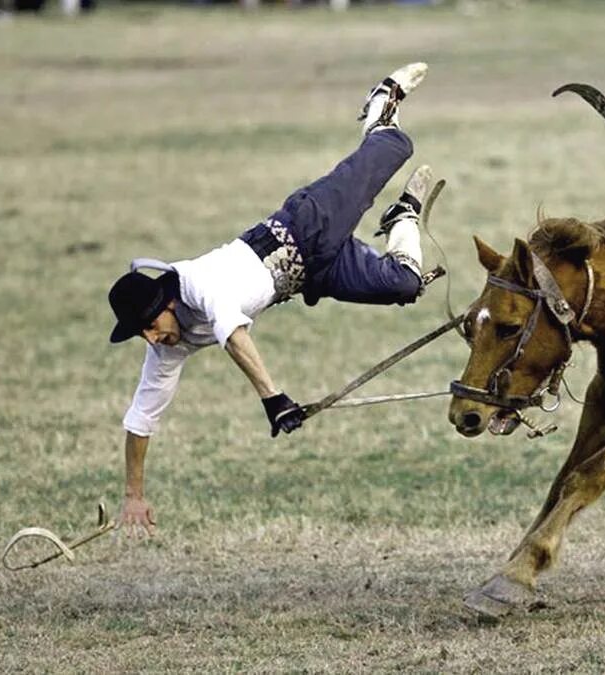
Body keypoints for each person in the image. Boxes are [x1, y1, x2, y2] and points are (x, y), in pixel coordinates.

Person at [107, 63, 433, 538]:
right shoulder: (167, 344)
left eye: (150, 325)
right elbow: (141, 419)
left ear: (167, 301)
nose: (151, 338)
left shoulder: (197, 283)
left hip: (307, 224)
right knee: (406, 284)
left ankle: (380, 107)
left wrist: (272, 398)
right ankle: (403, 216)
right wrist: (134, 496)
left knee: (396, 146)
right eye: (142, 334)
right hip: (309, 277)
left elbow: (234, 334)